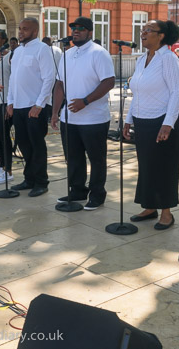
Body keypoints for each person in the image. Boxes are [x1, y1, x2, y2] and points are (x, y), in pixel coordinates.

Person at [123, 20, 179, 230]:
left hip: (162, 119)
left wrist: (168, 123)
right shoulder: (142, 59)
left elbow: (177, 92)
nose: (143, 33)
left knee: (164, 167)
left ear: (161, 36)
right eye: (142, 30)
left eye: (148, 30)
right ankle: (150, 206)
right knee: (146, 165)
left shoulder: (169, 59)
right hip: (142, 119)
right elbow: (137, 92)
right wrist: (129, 119)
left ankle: (166, 212)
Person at [51, 16, 115, 211]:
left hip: (94, 118)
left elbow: (109, 82)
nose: (76, 31)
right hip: (69, 118)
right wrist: (55, 112)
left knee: (96, 159)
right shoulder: (67, 54)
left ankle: (97, 194)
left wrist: (85, 101)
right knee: (73, 158)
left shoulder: (99, 53)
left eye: (81, 28)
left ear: (90, 32)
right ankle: (78, 190)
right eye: (73, 28)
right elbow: (59, 85)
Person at [7, 17, 55, 197]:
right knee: (23, 144)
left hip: (35, 107)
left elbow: (49, 78)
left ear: (35, 31)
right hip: (18, 106)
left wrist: (39, 104)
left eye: (25, 29)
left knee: (37, 145)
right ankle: (29, 179)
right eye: (20, 28)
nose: (20, 32)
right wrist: (10, 101)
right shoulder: (17, 51)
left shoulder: (42, 49)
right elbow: (13, 78)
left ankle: (41, 182)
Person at [0, 30, 13, 184]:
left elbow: (14, 80)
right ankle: (1, 166)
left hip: (6, 101)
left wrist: (11, 103)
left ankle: (8, 170)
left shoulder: (10, 57)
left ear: (4, 40)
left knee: (4, 136)